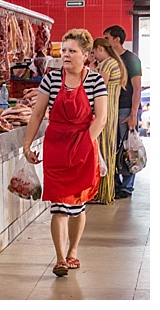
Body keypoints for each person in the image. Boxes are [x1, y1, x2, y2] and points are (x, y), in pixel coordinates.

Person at [22, 29, 107, 276]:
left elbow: (100, 119)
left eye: (72, 51)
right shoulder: (50, 79)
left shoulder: (95, 80)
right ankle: (60, 259)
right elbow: (37, 114)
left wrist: (83, 146)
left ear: (86, 55)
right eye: (64, 50)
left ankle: (73, 252)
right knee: (59, 205)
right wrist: (27, 145)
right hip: (56, 146)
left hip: (83, 144)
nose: (65, 55)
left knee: (78, 205)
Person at [103, 24, 143, 198]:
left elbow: (137, 88)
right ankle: (117, 185)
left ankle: (126, 187)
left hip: (126, 109)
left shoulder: (131, 59)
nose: (105, 43)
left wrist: (133, 114)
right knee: (113, 148)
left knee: (129, 148)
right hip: (112, 109)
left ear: (116, 40)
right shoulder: (108, 60)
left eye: (107, 39)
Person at [90, 36, 126, 205]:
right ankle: (107, 192)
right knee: (108, 151)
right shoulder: (116, 62)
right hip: (112, 110)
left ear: (100, 49)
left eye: (94, 51)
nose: (94, 55)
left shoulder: (106, 64)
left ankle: (101, 192)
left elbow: (99, 85)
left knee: (102, 149)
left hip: (104, 111)